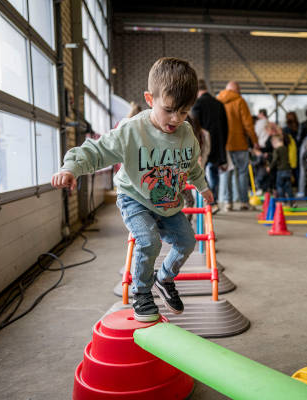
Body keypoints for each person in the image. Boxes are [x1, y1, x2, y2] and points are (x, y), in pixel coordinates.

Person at [51, 57, 214, 322]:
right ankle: (142, 292)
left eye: (183, 112)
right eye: (169, 109)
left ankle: (164, 279)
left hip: (169, 203)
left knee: (187, 242)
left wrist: (202, 187)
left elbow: (191, 166)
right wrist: (71, 168)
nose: (175, 118)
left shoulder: (186, 134)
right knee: (149, 241)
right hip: (135, 198)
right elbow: (96, 150)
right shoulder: (131, 130)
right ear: (150, 99)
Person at [217, 81, 260, 211]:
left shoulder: (218, 101)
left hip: (224, 144)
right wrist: (254, 141)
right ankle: (243, 202)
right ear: (237, 90)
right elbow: (248, 124)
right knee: (242, 173)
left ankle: (228, 202)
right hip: (240, 143)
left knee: (226, 173)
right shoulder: (240, 101)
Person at [191, 79, 228, 213]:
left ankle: (209, 202)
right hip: (218, 144)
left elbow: (194, 126)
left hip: (203, 144)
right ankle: (214, 201)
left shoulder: (197, 104)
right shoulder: (219, 104)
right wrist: (223, 146)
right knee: (213, 172)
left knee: (201, 172)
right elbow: (226, 127)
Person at [267, 134, 293, 200]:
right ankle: (292, 201)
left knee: (280, 186)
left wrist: (270, 167)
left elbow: (274, 160)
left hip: (281, 170)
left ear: (274, 142)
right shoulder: (285, 148)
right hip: (288, 170)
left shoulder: (277, 150)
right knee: (288, 186)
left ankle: (282, 200)